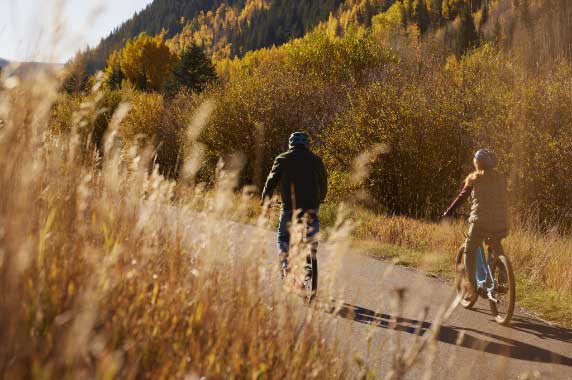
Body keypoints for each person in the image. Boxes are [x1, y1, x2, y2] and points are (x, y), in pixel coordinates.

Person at [261, 131, 328, 279]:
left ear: (291, 144)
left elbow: (271, 180)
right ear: (306, 145)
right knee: (312, 221)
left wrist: (265, 199)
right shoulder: (316, 160)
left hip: (289, 206)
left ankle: (286, 264)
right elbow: (323, 182)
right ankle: (311, 244)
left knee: (283, 237)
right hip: (311, 204)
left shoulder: (282, 158)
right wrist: (321, 198)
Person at [443, 149, 508, 299]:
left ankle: (472, 288)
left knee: (469, 250)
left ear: (477, 163)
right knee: (496, 245)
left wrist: (448, 213)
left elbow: (462, 197)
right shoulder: (501, 179)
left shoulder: (473, 178)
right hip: (501, 221)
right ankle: (503, 277)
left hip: (480, 222)